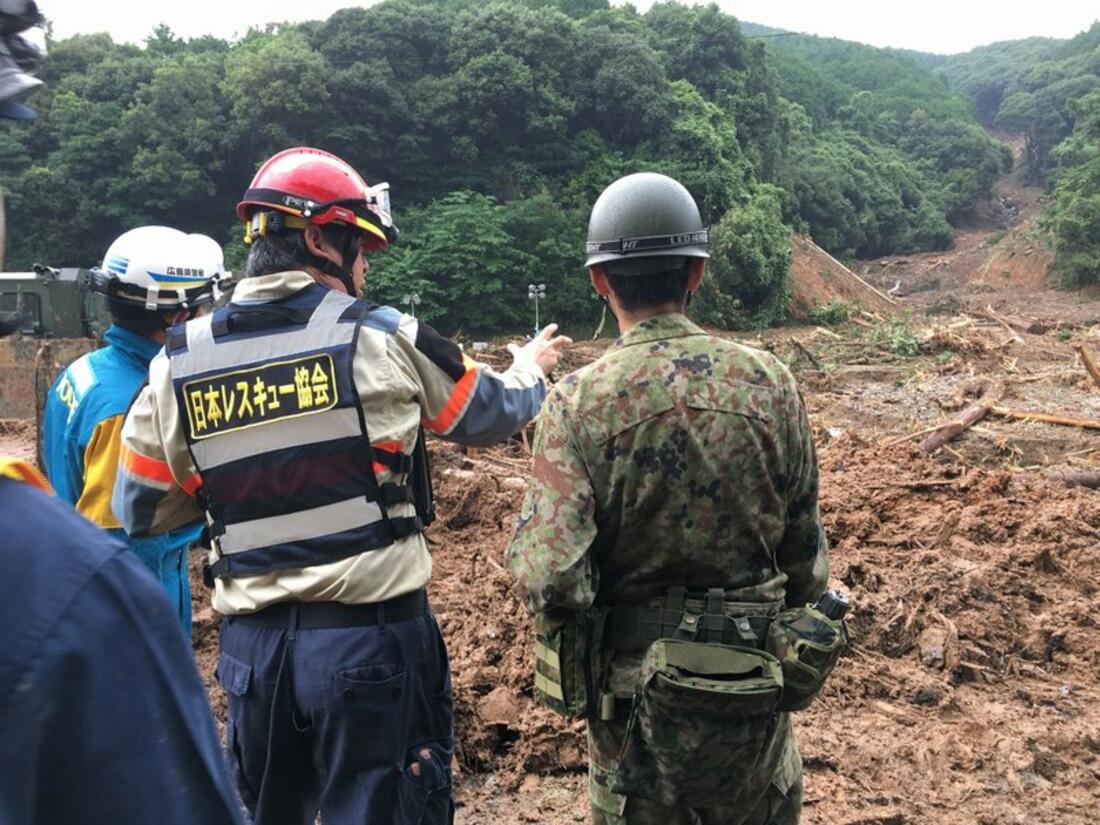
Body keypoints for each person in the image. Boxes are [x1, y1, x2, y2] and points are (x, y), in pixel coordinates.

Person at [112, 146, 570, 825]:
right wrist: (529, 368)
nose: (364, 269)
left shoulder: (178, 361)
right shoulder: (379, 335)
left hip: (254, 659)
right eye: (359, 249)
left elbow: (141, 505)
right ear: (319, 238)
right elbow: (487, 411)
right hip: (370, 649)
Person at [506, 172, 830, 824]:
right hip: (752, 721)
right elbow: (806, 569)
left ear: (600, 280)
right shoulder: (773, 385)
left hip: (634, 734)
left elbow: (549, 579)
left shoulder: (576, 404)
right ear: (697, 272)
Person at [0, 320, 244, 824]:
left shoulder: (83, 373)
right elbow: (126, 528)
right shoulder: (127, 400)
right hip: (140, 569)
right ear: (172, 315)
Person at [42, 225, 222, 633]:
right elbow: (127, 545)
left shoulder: (83, 371)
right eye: (204, 308)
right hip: (136, 605)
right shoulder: (134, 408)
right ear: (178, 316)